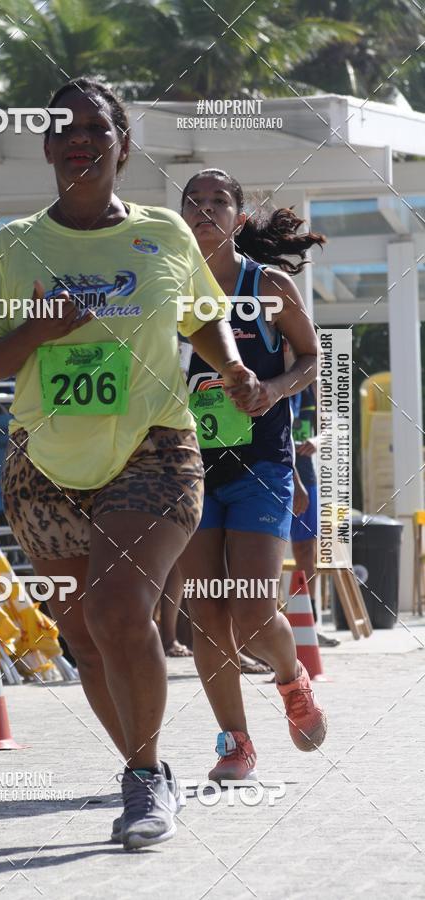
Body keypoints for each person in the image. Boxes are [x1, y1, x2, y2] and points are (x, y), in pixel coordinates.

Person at [0, 81, 260, 850]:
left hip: (153, 448)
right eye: (64, 127)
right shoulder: (15, 244)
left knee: (119, 609)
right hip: (45, 464)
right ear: (46, 148)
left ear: (123, 146)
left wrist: (230, 368)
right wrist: (39, 328)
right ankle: (145, 771)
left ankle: (144, 777)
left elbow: (203, 319)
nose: (80, 137)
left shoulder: (164, 233)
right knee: (86, 636)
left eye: (97, 127)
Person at [177, 168, 327, 783]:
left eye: (220, 201)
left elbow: (313, 358)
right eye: (195, 200)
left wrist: (273, 388)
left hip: (260, 463)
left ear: (238, 217)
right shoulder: (164, 287)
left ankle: (293, 681)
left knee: (250, 608)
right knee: (206, 615)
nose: (206, 209)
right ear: (180, 215)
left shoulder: (267, 284)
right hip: (186, 469)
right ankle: (235, 745)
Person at [290, 385, 340, 647]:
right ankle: (262, 629)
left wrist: (316, 441)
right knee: (264, 550)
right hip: (273, 472)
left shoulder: (312, 389)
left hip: (306, 476)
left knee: (306, 551)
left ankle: (309, 627)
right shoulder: (273, 375)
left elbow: (332, 428)